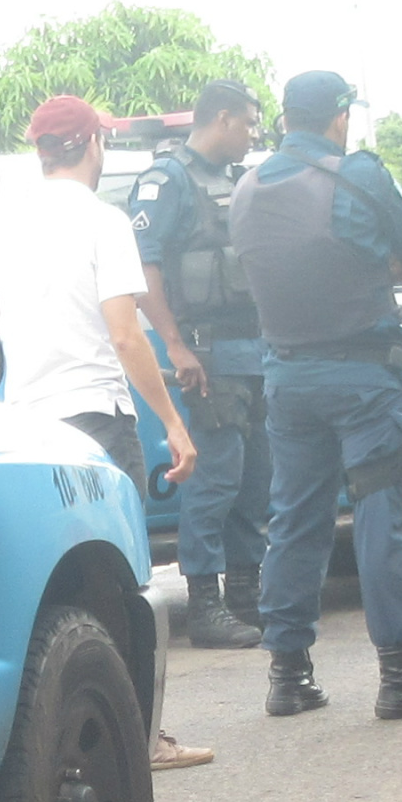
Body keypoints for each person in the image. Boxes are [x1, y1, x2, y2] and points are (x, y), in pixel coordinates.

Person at [0, 93, 213, 769]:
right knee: (123, 585)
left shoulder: (12, 224)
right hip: (99, 425)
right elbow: (124, 334)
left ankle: (69, 744)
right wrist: (174, 424)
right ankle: (140, 740)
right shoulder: (104, 221)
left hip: (30, 429)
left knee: (61, 588)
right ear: (91, 146)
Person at [236, 70, 402, 722]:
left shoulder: (248, 189)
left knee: (293, 520)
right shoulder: (357, 174)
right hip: (363, 376)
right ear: (339, 117)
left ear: (285, 118)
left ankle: (288, 676)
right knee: (378, 514)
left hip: (287, 379)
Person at [124, 79, 271, 649]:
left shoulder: (237, 180)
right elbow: (144, 272)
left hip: (254, 353)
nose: (253, 134)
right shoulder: (167, 181)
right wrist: (176, 346)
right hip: (209, 356)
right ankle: (206, 606)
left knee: (255, 480)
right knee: (216, 482)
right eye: (249, 123)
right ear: (223, 118)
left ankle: (246, 594)